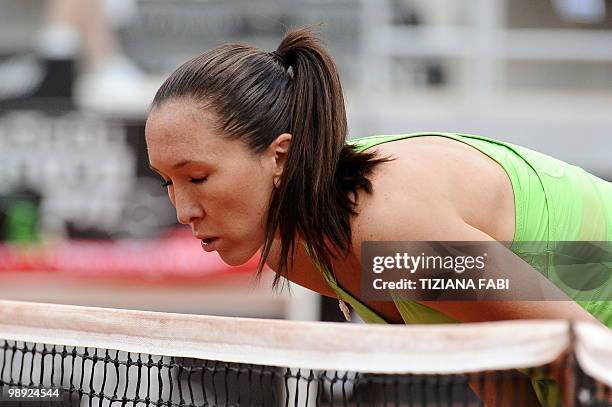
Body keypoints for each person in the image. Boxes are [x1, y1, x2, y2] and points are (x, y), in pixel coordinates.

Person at [145, 27, 612, 331]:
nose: (183, 211)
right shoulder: (295, 251)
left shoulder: (393, 240)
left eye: (198, 177)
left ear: (280, 158)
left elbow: (585, 349)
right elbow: (494, 358)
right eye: (167, 182)